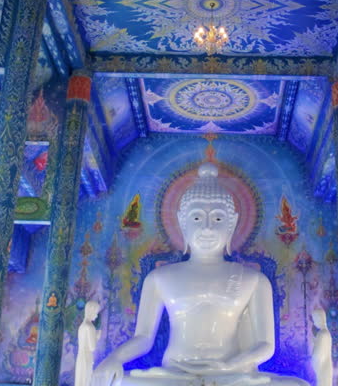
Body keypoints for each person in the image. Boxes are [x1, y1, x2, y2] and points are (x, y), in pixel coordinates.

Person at [92, 163, 308, 386]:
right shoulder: (159, 278)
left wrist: (229, 366)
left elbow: (265, 346)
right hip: (174, 375)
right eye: (196, 218)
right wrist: (113, 359)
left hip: (231, 375)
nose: (207, 228)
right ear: (182, 222)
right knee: (113, 381)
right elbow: (143, 338)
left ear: (232, 223)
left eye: (217, 219)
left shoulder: (254, 280)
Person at [76, 301, 102, 386]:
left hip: (80, 357)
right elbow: (92, 347)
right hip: (87, 357)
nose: (96, 315)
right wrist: (97, 337)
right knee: (85, 381)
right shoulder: (90, 327)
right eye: (96, 313)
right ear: (91, 311)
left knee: (80, 380)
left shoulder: (82, 326)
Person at [310, 309, 332, 386]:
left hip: (321, 366)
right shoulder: (326, 333)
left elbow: (317, 354)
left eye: (314, 319)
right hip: (325, 365)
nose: (314, 322)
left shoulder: (322, 334)